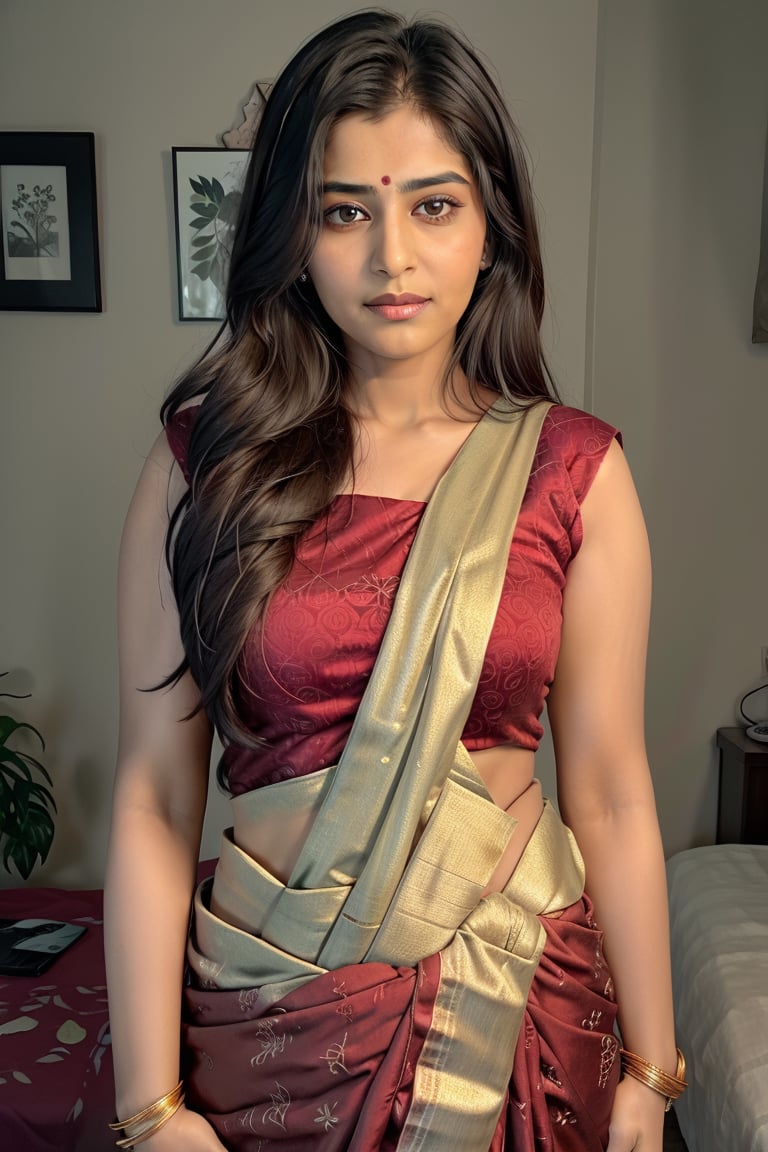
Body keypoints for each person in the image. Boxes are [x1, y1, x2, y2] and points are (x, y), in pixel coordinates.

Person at [104, 9, 685, 1151]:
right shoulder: (199, 467)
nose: (392, 258)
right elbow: (156, 802)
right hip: (271, 1033)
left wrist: (657, 1072)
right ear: (291, 232)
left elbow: (612, 791)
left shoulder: (577, 474)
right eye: (343, 212)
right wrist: (147, 1108)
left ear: (491, 228)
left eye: (433, 204)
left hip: (521, 1007)